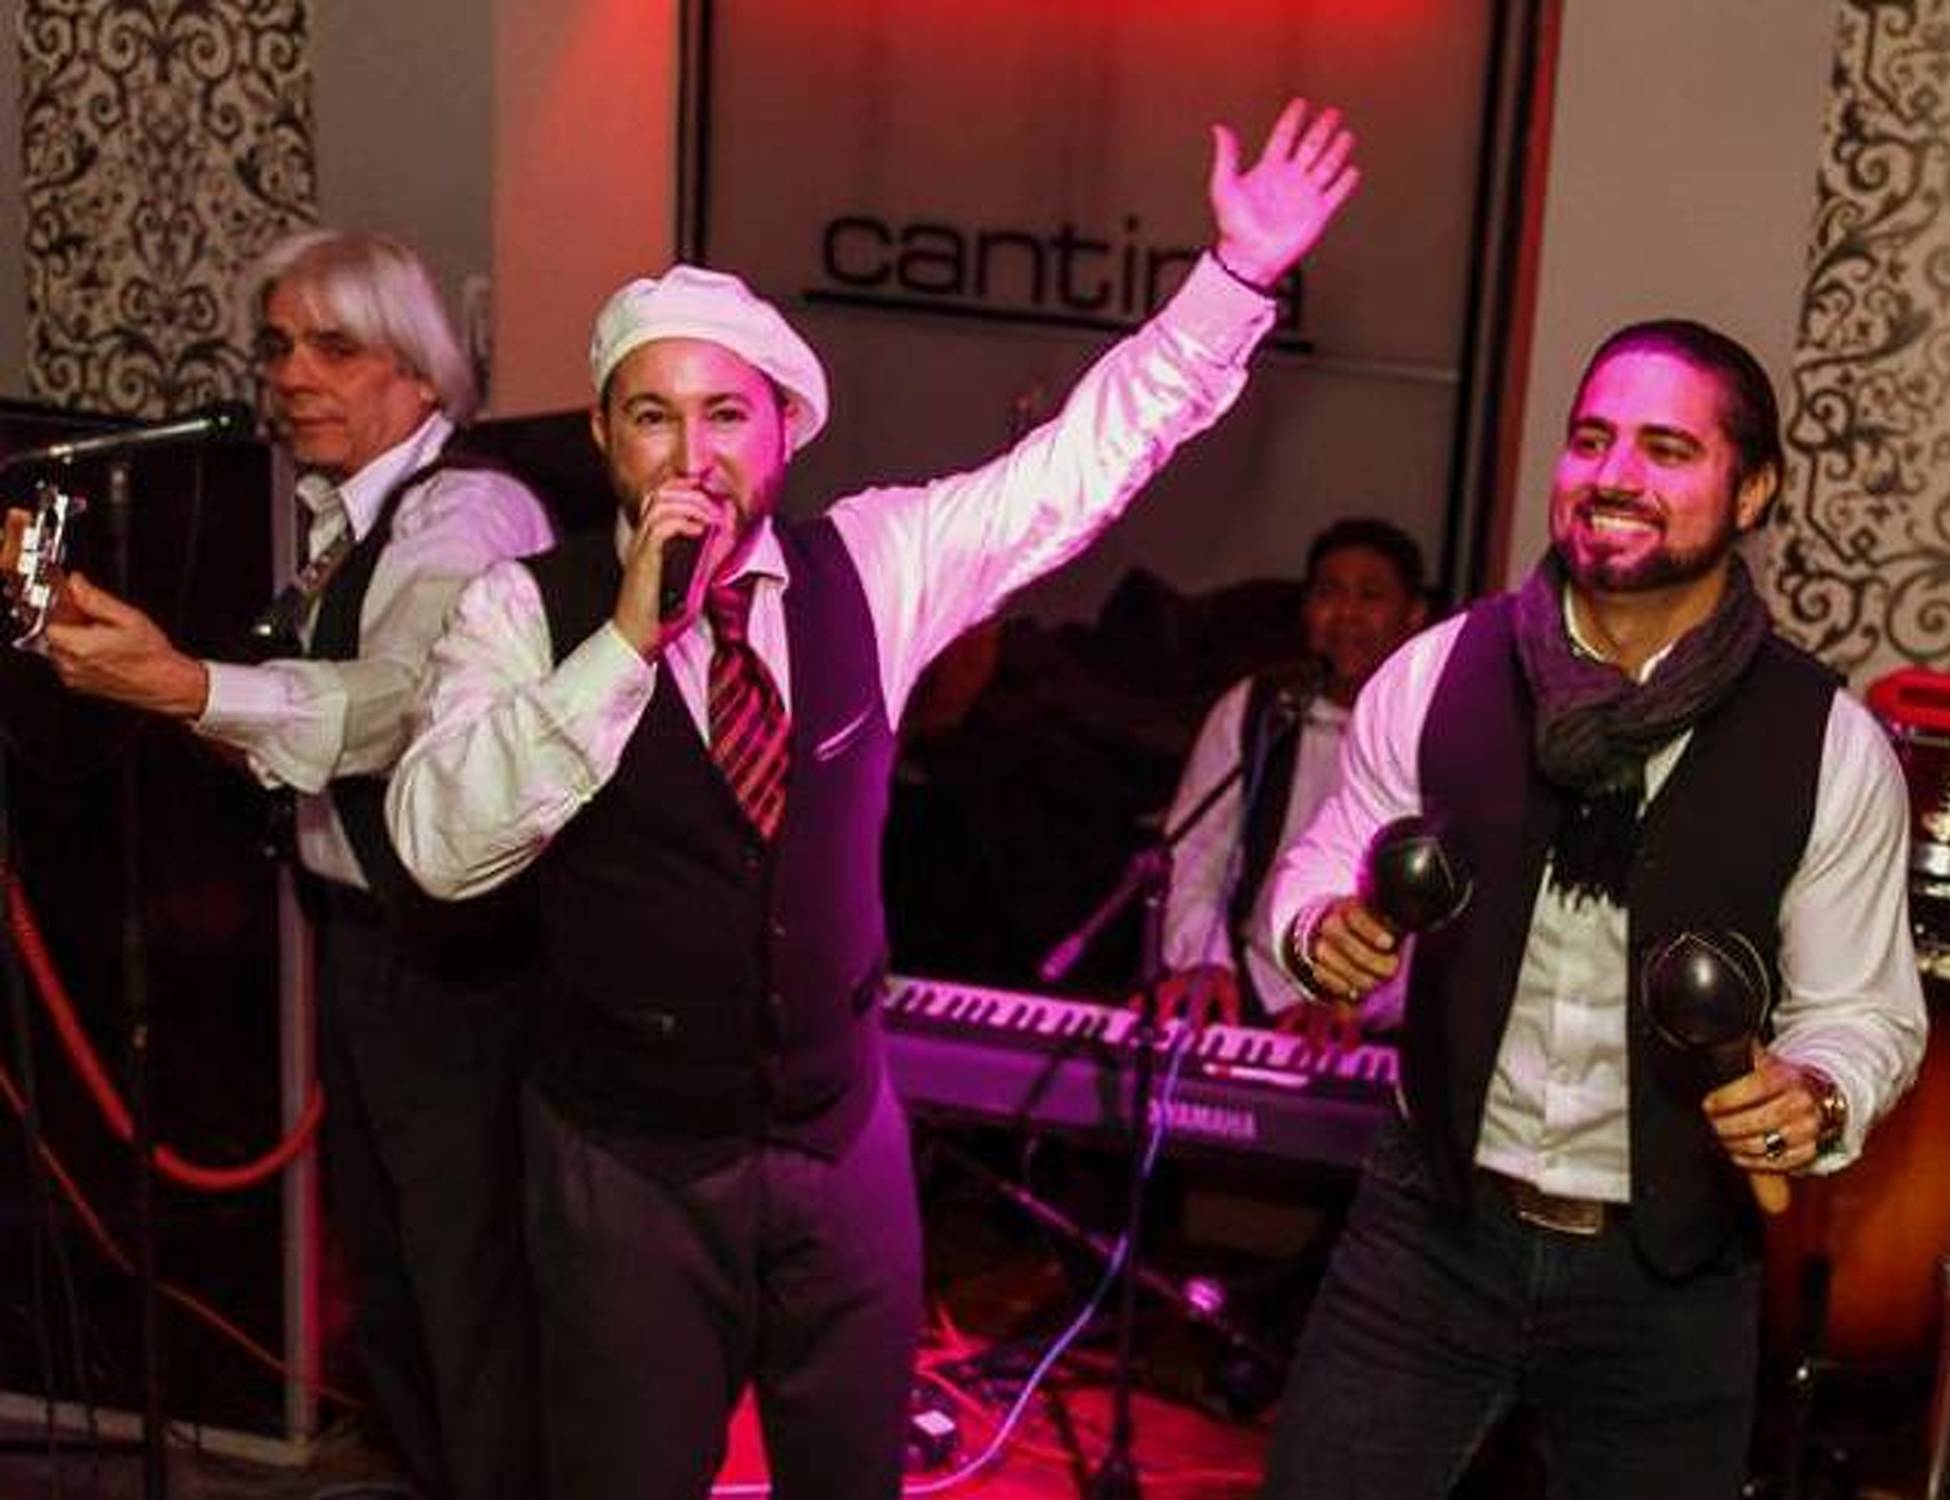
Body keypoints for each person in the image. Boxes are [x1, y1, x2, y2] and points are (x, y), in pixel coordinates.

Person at [384, 99, 1359, 1500]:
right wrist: (623, 646)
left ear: (784, 431)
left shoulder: (875, 565)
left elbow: (1077, 468)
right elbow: (438, 848)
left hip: (842, 1144)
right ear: (604, 438)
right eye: (653, 417)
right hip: (626, 1162)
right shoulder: (519, 612)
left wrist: (1236, 279)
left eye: (726, 414)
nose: (691, 454)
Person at [1255, 320, 1926, 1497]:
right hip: (1429, 1234)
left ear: (1753, 490)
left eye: (1668, 449)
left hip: (1668, 1278)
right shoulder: (1437, 673)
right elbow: (1320, 864)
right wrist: (1322, 928)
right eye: (1590, 440)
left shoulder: (1827, 743)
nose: (1614, 476)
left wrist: (1816, 1090)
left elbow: (1865, 1012)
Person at [40, 230, 555, 1499]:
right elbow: (300, 732)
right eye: (277, 346)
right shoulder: (344, 516)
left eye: (334, 346)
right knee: (393, 1281)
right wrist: (165, 686)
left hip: (450, 970)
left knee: (466, 1291)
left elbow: (396, 703)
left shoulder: (466, 514)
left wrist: (183, 683)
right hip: (365, 947)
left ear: (421, 370)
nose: (291, 375)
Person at [1157, 516, 1428, 1033]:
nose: (1346, 614)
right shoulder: (1259, 711)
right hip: (1241, 993)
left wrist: (1353, 998)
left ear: (1413, 616)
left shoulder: (1434, 735)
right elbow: (1196, 856)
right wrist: (1204, 962)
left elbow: (1442, 918)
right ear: (1306, 610)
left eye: (1370, 596)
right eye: (1328, 593)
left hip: (1367, 1023)